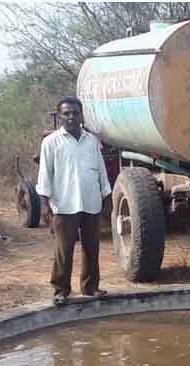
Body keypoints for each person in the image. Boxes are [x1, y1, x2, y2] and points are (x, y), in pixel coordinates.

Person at [37, 96, 112, 306]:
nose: (71, 117)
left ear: (81, 115)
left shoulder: (91, 141)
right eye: (66, 113)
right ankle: (60, 290)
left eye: (75, 113)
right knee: (64, 249)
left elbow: (101, 170)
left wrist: (106, 195)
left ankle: (90, 288)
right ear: (60, 116)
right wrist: (44, 203)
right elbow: (45, 175)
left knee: (91, 248)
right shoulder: (51, 142)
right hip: (64, 204)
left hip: (91, 203)